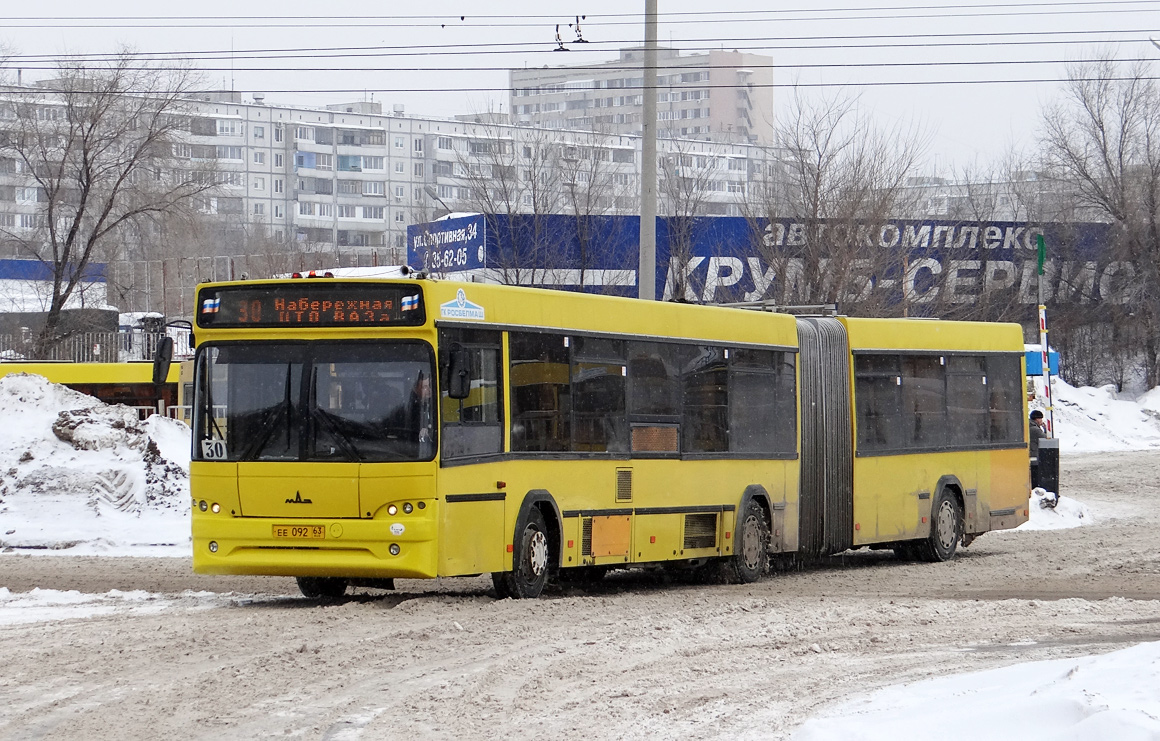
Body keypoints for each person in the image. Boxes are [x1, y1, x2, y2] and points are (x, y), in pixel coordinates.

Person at [1029, 409, 1047, 488]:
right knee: (1035, 476)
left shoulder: (1029, 426)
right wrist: (1045, 429)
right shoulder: (1035, 429)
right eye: (1040, 419)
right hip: (1034, 456)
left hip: (1030, 455)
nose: (1041, 421)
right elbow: (1045, 439)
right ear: (1037, 419)